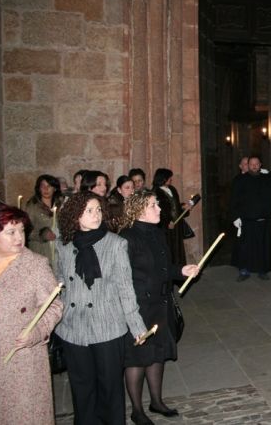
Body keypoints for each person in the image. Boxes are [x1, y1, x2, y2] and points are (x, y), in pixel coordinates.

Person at [54, 191, 148, 425]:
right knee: (82, 388)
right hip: (74, 327)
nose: (96, 215)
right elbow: (60, 284)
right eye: (89, 211)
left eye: (98, 210)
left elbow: (125, 288)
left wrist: (136, 326)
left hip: (107, 326)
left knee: (110, 388)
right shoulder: (64, 245)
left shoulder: (116, 244)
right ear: (75, 215)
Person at [119, 191, 200, 424]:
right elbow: (122, 279)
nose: (159, 209)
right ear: (138, 210)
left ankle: (156, 401)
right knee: (137, 358)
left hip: (160, 303)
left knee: (158, 354)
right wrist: (131, 311)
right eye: (154, 205)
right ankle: (136, 409)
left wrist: (181, 271)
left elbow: (164, 267)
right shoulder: (127, 238)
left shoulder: (157, 232)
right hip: (139, 307)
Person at [0, 205, 63, 425]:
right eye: (11, 232)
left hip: (22, 358)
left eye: (22, 231)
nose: (19, 238)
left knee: (24, 415)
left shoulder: (35, 265)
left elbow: (54, 306)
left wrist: (36, 332)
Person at [230, 155, 271, 281]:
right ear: (248, 165)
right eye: (251, 164)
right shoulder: (240, 180)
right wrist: (236, 216)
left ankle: (262, 270)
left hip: (263, 220)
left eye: (256, 164)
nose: (254, 166)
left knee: (262, 247)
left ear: (260, 164)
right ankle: (244, 271)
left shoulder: (267, 179)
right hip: (247, 220)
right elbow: (234, 199)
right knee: (246, 248)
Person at [152, 168, 189, 268]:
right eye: (169, 178)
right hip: (166, 228)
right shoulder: (156, 192)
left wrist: (182, 207)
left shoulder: (172, 189)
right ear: (163, 178)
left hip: (176, 225)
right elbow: (159, 210)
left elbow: (174, 205)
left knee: (178, 251)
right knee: (169, 250)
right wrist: (167, 222)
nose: (171, 180)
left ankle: (180, 274)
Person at [25, 174, 63, 269]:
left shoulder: (62, 205)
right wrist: (42, 234)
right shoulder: (32, 206)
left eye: (49, 186)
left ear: (54, 188)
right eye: (43, 186)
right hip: (41, 250)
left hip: (60, 249)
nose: (46, 189)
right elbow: (26, 230)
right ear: (38, 189)